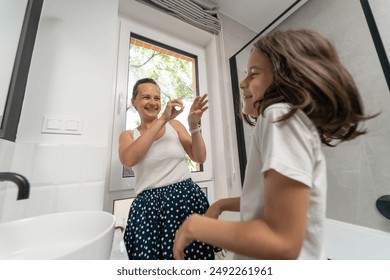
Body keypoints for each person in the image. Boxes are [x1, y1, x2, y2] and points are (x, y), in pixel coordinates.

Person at [173, 29, 375, 260]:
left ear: (285, 79)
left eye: (253, 74)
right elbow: (264, 201)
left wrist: (194, 226)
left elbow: (283, 242)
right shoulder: (285, 119)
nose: (242, 82)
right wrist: (220, 204)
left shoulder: (278, 115)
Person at [119, 77, 217, 260]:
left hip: (185, 199)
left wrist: (194, 126)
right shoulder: (128, 135)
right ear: (134, 102)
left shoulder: (175, 126)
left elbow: (199, 157)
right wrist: (163, 118)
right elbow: (129, 159)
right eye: (146, 97)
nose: (153, 102)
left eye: (157, 98)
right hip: (148, 209)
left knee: (193, 257)